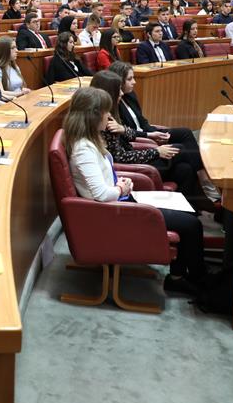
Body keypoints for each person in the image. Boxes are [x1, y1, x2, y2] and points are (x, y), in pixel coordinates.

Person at [63, 86, 207, 296]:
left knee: (186, 210)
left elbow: (101, 184)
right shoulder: (84, 148)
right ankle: (192, 279)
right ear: (93, 116)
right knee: (192, 225)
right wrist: (120, 187)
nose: (110, 116)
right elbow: (101, 195)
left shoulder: (90, 139)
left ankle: (180, 275)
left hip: (121, 201)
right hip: (115, 211)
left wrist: (118, 183)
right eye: (106, 112)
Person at [89, 71, 213, 211]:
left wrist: (124, 130)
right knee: (181, 149)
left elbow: (127, 135)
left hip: (137, 159)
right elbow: (120, 158)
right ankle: (207, 185)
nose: (122, 94)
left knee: (185, 169)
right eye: (118, 90)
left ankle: (192, 210)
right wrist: (156, 152)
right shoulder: (104, 121)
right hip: (134, 167)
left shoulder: (110, 113)